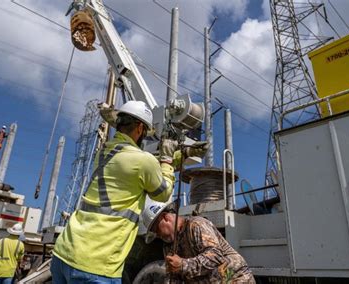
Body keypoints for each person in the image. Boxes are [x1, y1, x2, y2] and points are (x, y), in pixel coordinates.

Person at [51, 101, 182, 283]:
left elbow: (130, 166)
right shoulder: (144, 161)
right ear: (139, 128)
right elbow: (163, 193)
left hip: (64, 253)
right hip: (95, 265)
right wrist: (167, 161)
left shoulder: (103, 153)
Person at [143, 201, 255, 284]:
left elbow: (215, 256)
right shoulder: (168, 246)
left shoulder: (196, 225)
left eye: (156, 230)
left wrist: (183, 265)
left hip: (235, 280)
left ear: (165, 218)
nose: (157, 235)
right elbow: (173, 276)